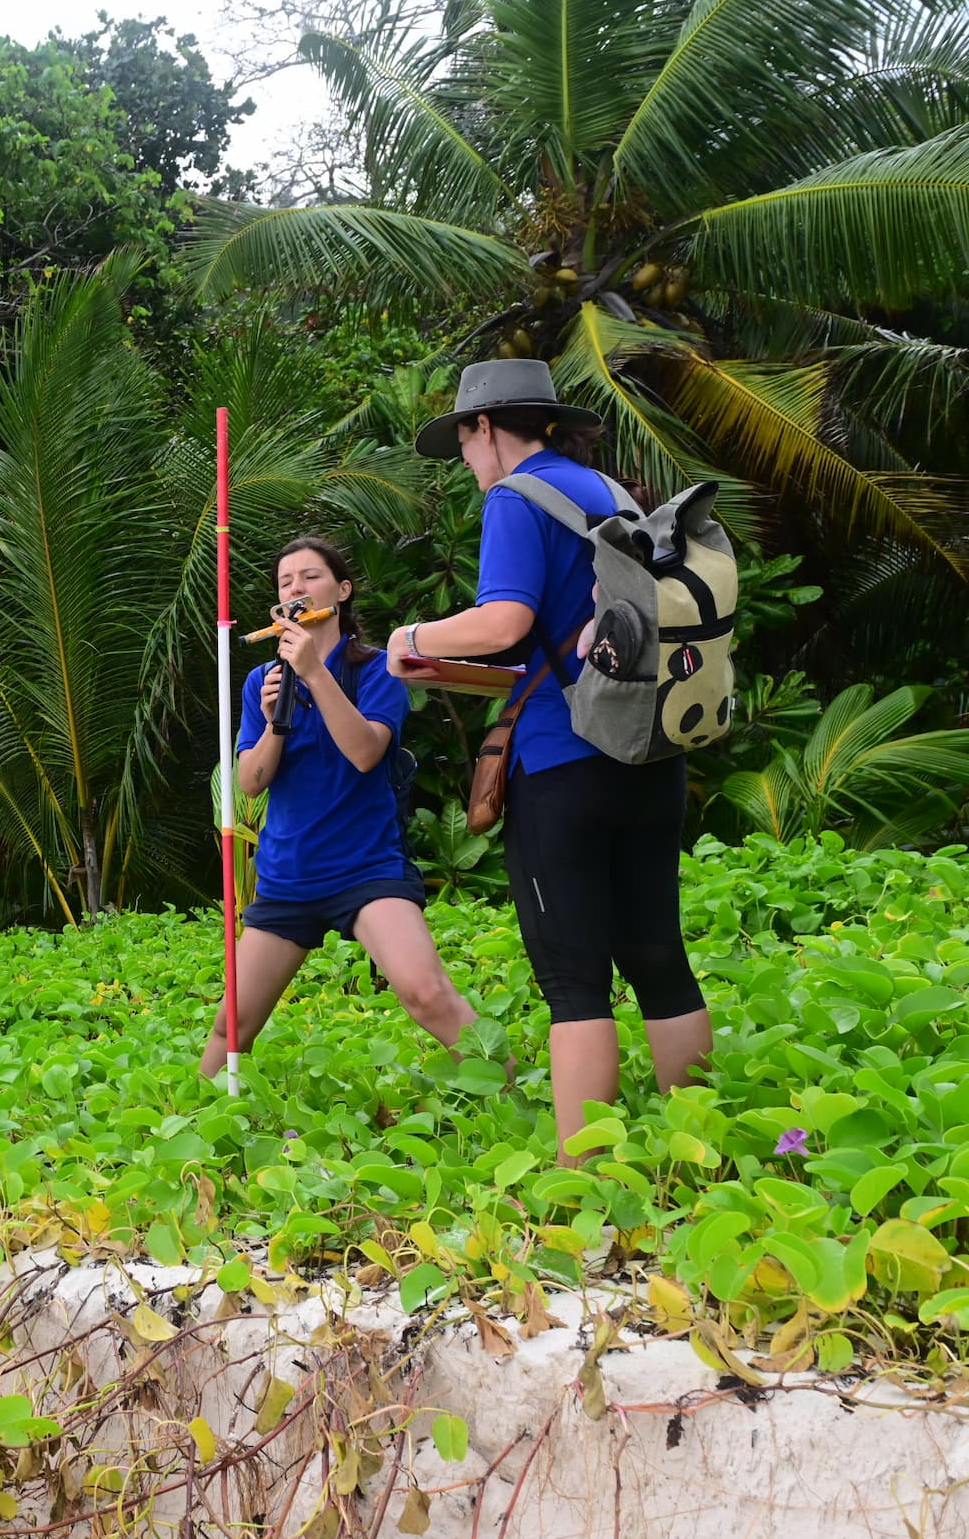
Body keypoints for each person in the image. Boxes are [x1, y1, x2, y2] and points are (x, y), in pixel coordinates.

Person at [385, 359, 713, 1155]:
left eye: (463, 444)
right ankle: (702, 1152)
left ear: (486, 430)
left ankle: (587, 1186)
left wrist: (411, 640)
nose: (467, 463)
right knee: (658, 955)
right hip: (651, 749)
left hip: (565, 762)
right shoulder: (615, 495)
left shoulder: (516, 497)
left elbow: (504, 621)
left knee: (574, 982)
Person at [201, 536, 478, 1078]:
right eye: (285, 583)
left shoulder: (378, 670)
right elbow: (251, 783)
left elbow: (366, 752)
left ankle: (513, 1092)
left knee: (426, 995)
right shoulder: (264, 681)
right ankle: (189, 1126)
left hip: (366, 867)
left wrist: (314, 673)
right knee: (231, 1026)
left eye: (310, 577)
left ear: (342, 590)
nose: (296, 590)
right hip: (288, 876)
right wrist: (275, 718)